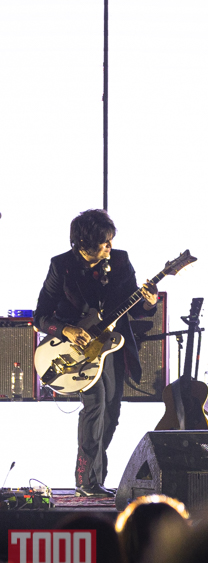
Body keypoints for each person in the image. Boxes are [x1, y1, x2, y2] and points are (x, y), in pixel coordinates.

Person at [34, 209, 158, 497]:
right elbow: (40, 316)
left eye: (111, 240)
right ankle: (86, 482)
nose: (110, 247)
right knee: (96, 407)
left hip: (110, 346)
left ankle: (93, 477)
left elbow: (135, 307)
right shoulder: (61, 266)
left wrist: (148, 302)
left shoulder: (121, 261)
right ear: (82, 243)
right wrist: (67, 331)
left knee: (112, 413)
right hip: (75, 351)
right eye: (104, 242)